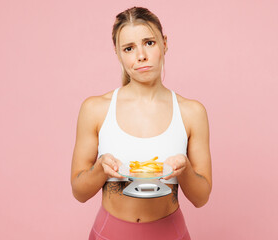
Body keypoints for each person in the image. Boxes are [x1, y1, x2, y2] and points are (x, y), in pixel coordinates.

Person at [71, 6, 212, 240]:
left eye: (149, 43)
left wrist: (185, 170)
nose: (141, 56)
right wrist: (100, 168)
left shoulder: (192, 112)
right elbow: (79, 192)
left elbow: (201, 198)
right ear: (118, 54)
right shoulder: (95, 109)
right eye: (129, 48)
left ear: (164, 43)